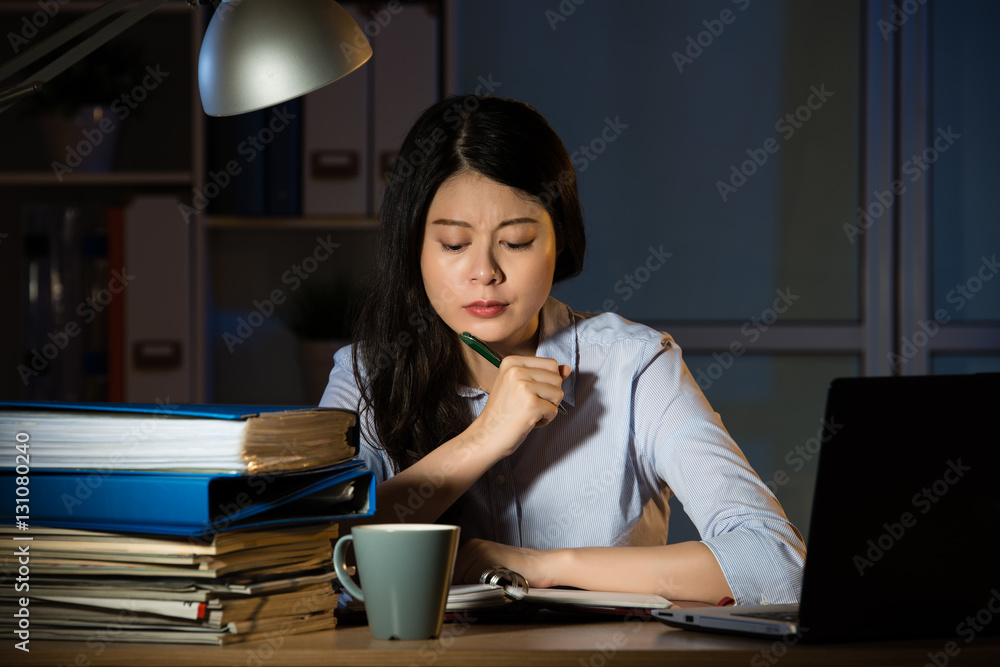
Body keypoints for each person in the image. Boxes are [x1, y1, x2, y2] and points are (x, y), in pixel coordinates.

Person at [321, 94, 805, 605]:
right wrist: (485, 436)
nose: (484, 271)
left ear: (560, 241)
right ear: (414, 247)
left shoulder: (636, 367)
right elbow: (317, 558)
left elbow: (776, 564)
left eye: (517, 241)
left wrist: (542, 567)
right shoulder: (364, 373)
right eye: (454, 244)